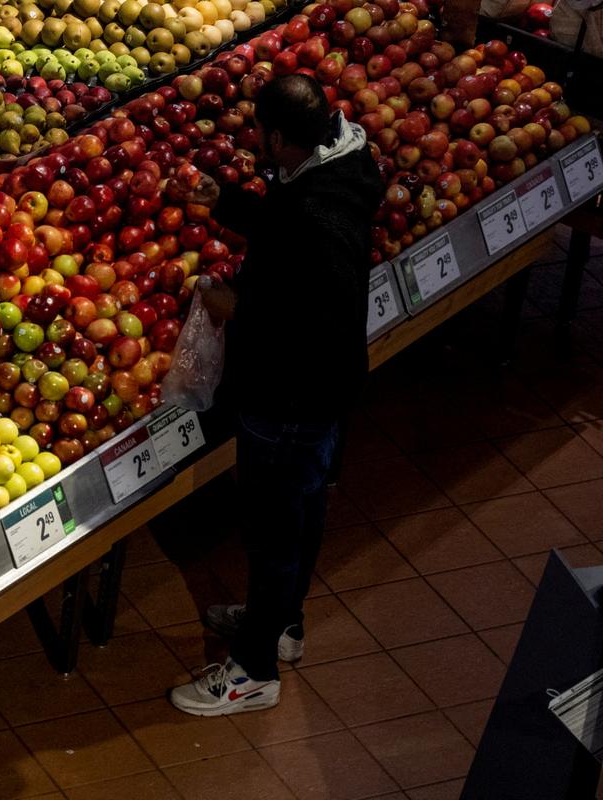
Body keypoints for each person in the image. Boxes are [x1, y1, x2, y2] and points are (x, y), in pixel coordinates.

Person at [168, 74, 384, 717]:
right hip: (326, 386)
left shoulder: (317, 217)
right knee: (304, 507)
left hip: (292, 390)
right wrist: (228, 202)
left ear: (280, 138)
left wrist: (236, 308)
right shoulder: (340, 169)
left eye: (261, 133)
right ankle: (283, 622)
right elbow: (285, 227)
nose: (256, 141)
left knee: (270, 531)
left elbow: (311, 313)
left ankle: (253, 671)